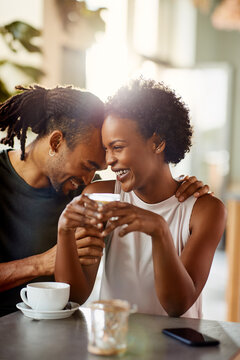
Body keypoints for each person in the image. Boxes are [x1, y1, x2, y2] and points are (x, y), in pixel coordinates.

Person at [0, 83, 210, 317]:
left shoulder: (92, 192)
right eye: (88, 165)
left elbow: (155, 187)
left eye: (115, 148)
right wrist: (46, 257)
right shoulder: (92, 193)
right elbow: (75, 290)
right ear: (56, 142)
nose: (96, 173)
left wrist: (179, 193)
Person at [55, 78, 226, 318]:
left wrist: (159, 230)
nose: (109, 160)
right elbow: (74, 296)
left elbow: (178, 305)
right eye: (106, 149)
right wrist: (64, 233)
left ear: (156, 143)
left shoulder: (204, 210)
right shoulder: (100, 198)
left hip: (177, 350)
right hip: (116, 344)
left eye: (117, 147)